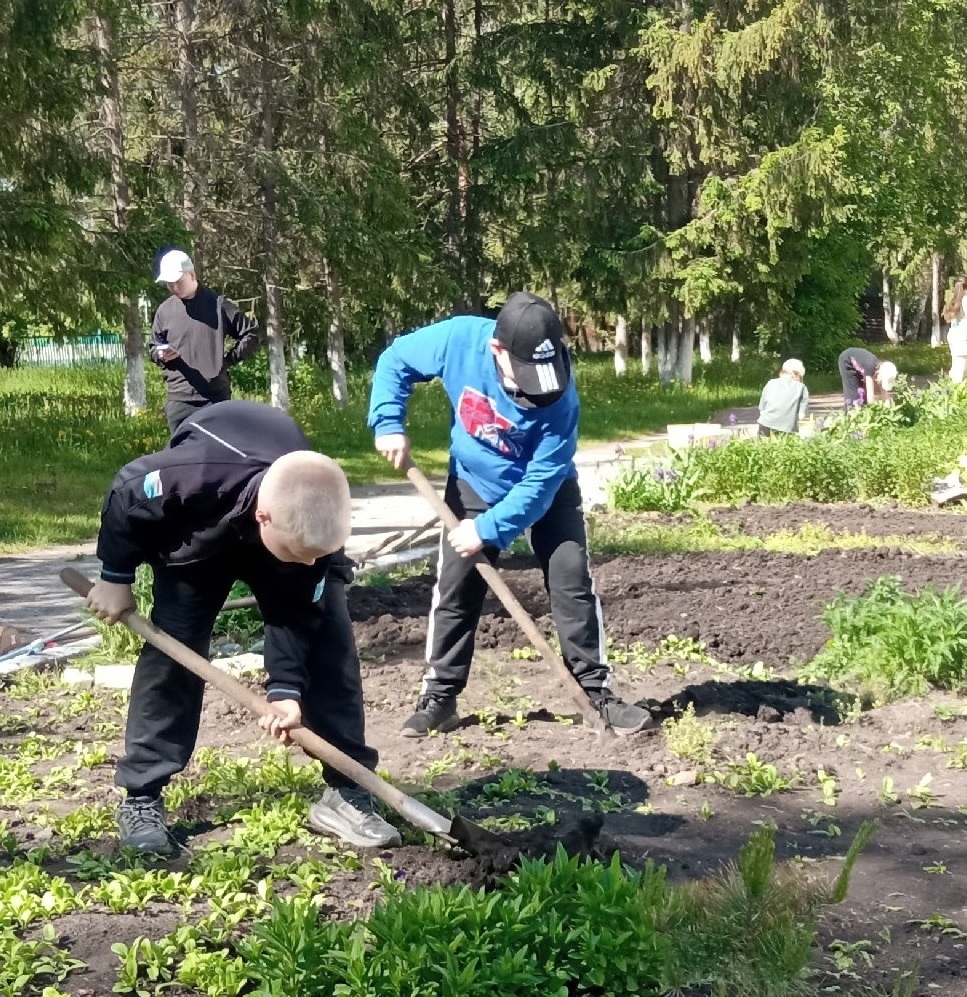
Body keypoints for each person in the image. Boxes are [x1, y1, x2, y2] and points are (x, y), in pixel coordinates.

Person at [85, 399, 400, 854]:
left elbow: (296, 614)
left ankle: (347, 790)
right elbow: (128, 490)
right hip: (197, 537)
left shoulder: (312, 515)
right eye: (300, 554)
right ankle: (142, 797)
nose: (309, 564)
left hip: (279, 517)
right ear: (263, 518)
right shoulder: (191, 476)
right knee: (175, 649)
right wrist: (115, 577)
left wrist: (286, 689)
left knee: (329, 643)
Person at [367, 291, 653, 738]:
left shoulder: (563, 398)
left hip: (548, 489)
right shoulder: (459, 339)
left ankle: (596, 692)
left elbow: (540, 485)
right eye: (522, 376)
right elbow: (395, 361)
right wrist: (388, 421)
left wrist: (488, 529)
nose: (532, 390)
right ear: (497, 351)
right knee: (456, 587)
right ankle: (440, 695)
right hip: (475, 483)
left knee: (571, 577)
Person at [150, 249, 262, 434]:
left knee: (218, 458)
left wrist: (227, 361)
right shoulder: (164, 310)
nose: (174, 287)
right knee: (181, 459)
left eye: (178, 282)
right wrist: (161, 354)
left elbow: (250, 335)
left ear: (192, 274)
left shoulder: (218, 304)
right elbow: (154, 347)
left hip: (215, 398)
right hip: (179, 400)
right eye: (169, 284)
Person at [756, 359, 809, 436]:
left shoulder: (771, 383)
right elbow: (801, 416)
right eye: (801, 377)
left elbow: (761, 407)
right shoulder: (802, 387)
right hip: (787, 429)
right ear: (796, 374)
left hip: (765, 424)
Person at [943, 275, 967, 384]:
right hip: (963, 338)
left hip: (954, 336)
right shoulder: (965, 301)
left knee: (956, 367)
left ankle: (950, 392)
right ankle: (953, 395)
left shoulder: (954, 300)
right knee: (959, 371)